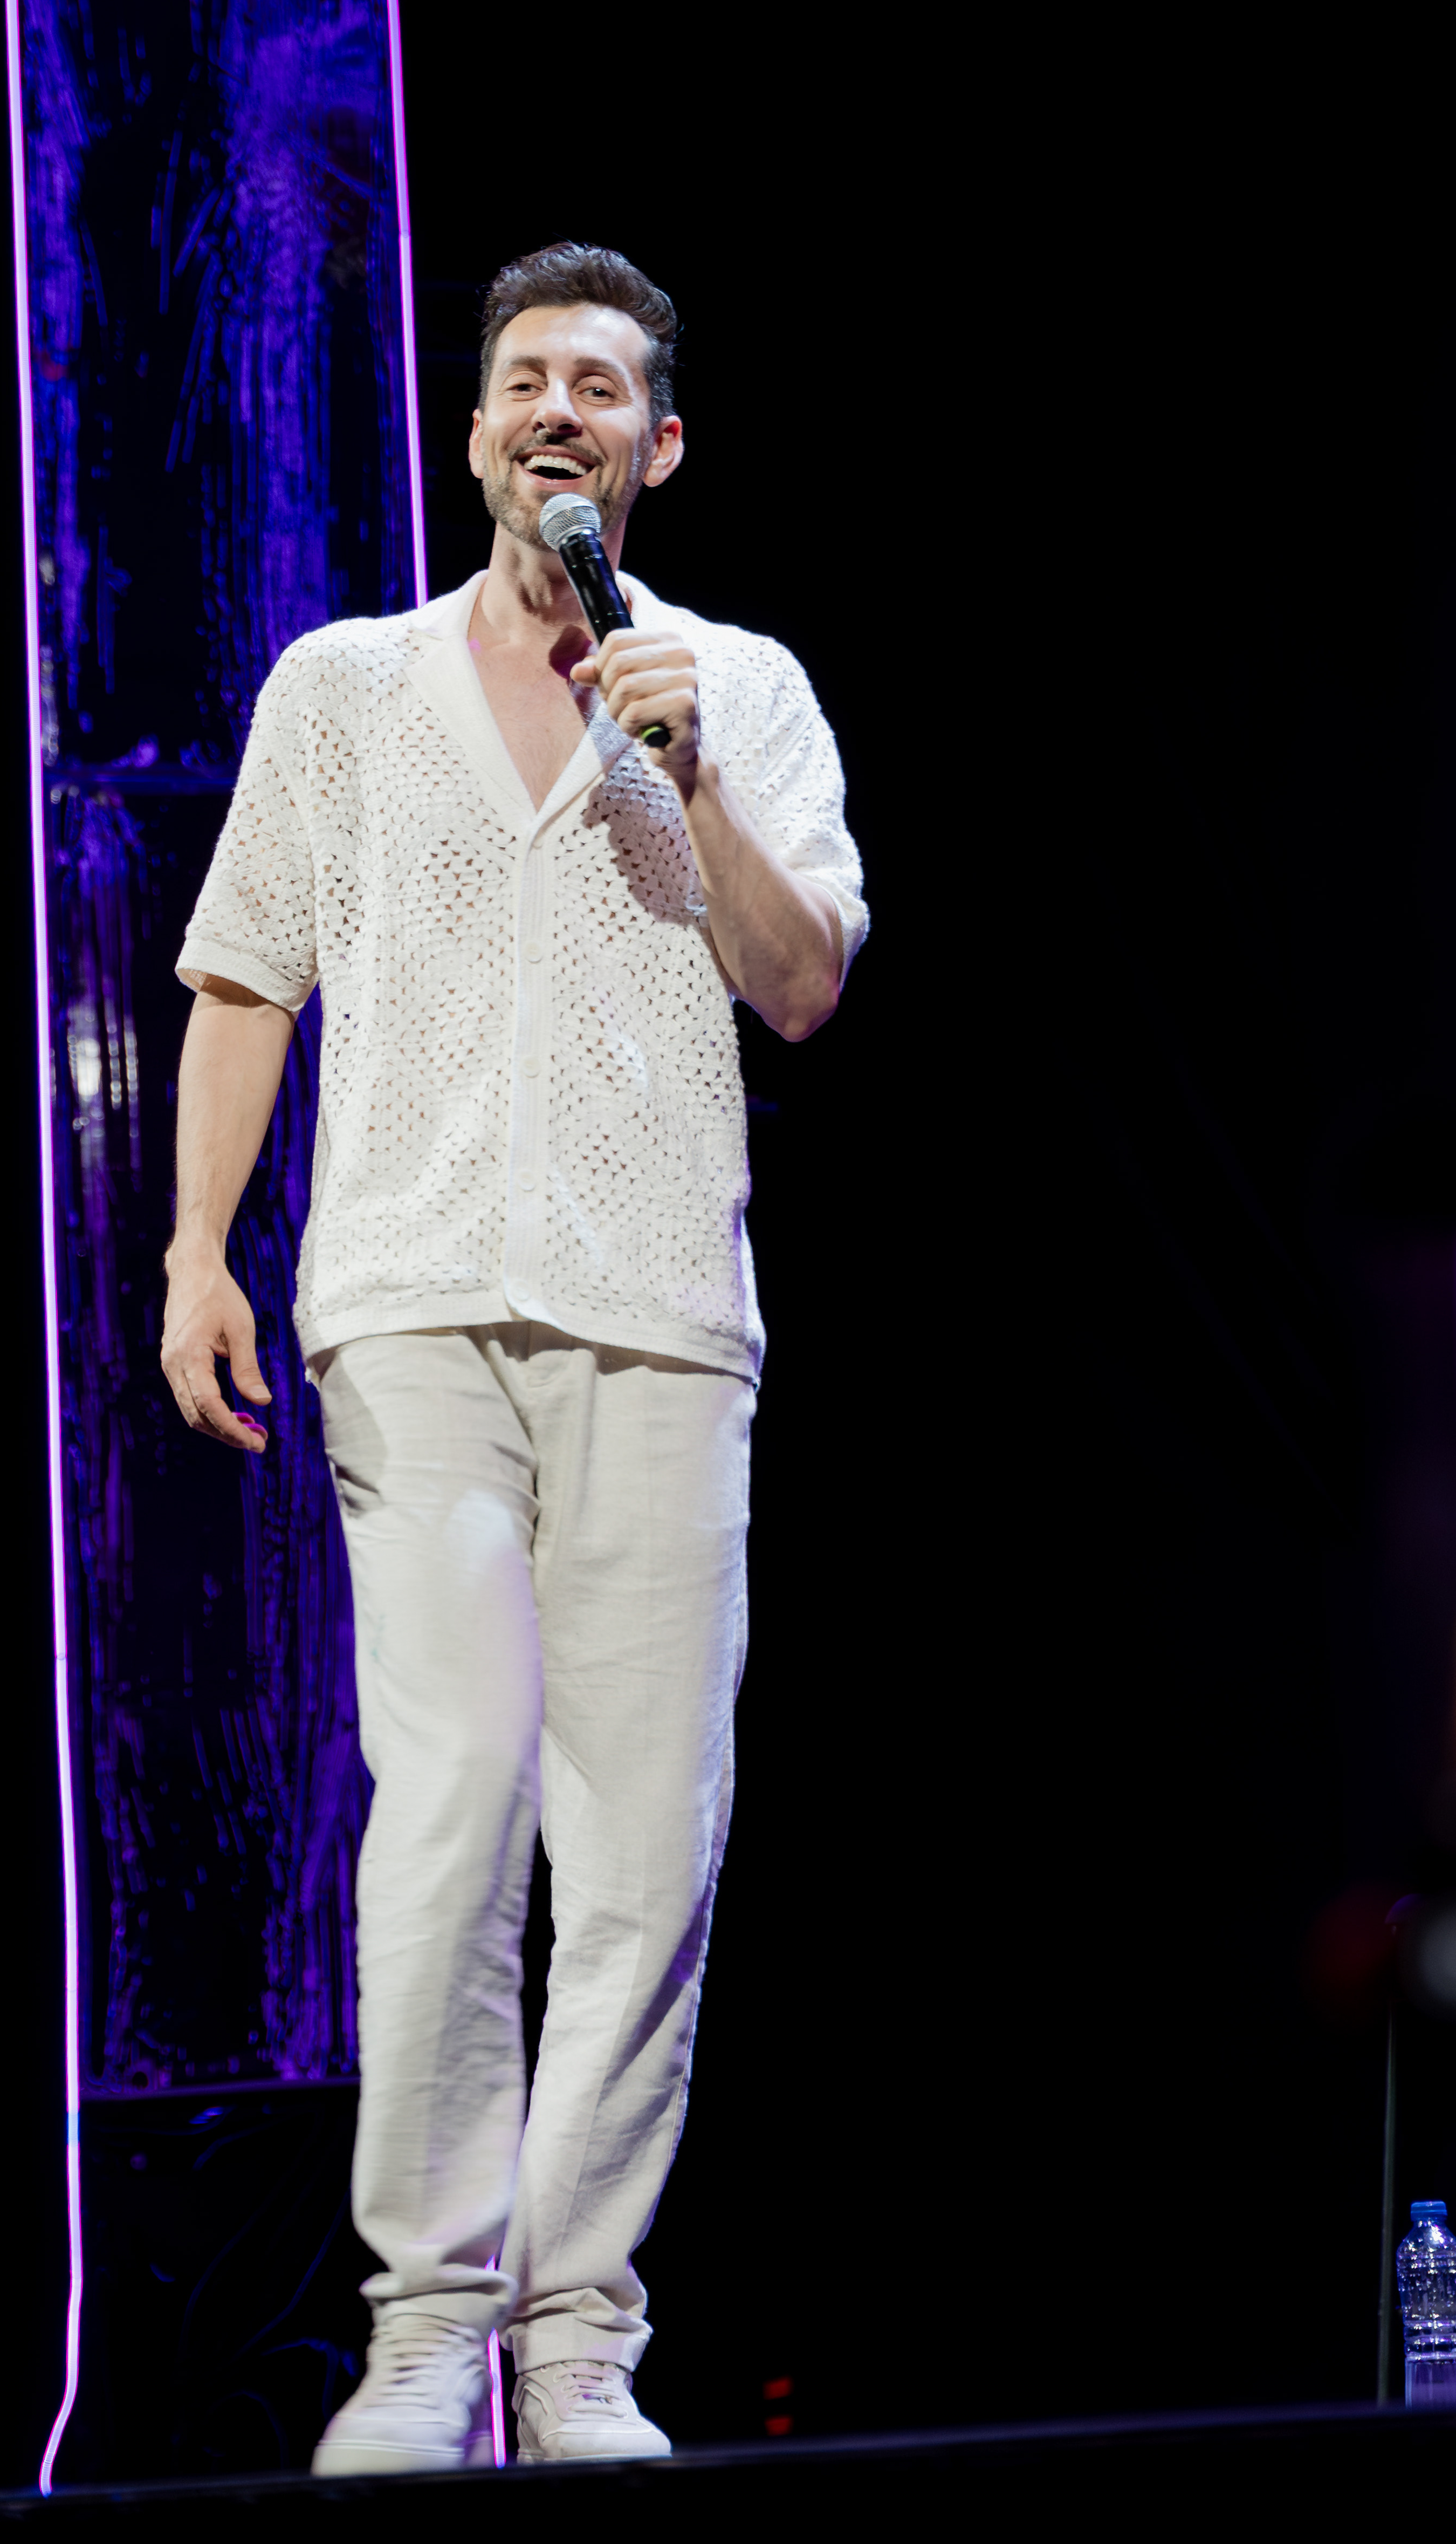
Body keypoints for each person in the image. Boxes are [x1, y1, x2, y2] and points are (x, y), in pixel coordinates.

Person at [160, 242, 865, 2471]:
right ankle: (422, 2329)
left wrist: (695, 775)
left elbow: (803, 983)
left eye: (602, 387)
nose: (556, 409)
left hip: (661, 1316)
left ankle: (580, 2337)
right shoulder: (343, 688)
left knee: (646, 1842)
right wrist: (197, 1247)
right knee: (453, 1810)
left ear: (658, 448)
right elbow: (245, 976)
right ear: (476, 431)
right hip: (415, 1303)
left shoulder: (732, 683)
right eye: (523, 378)